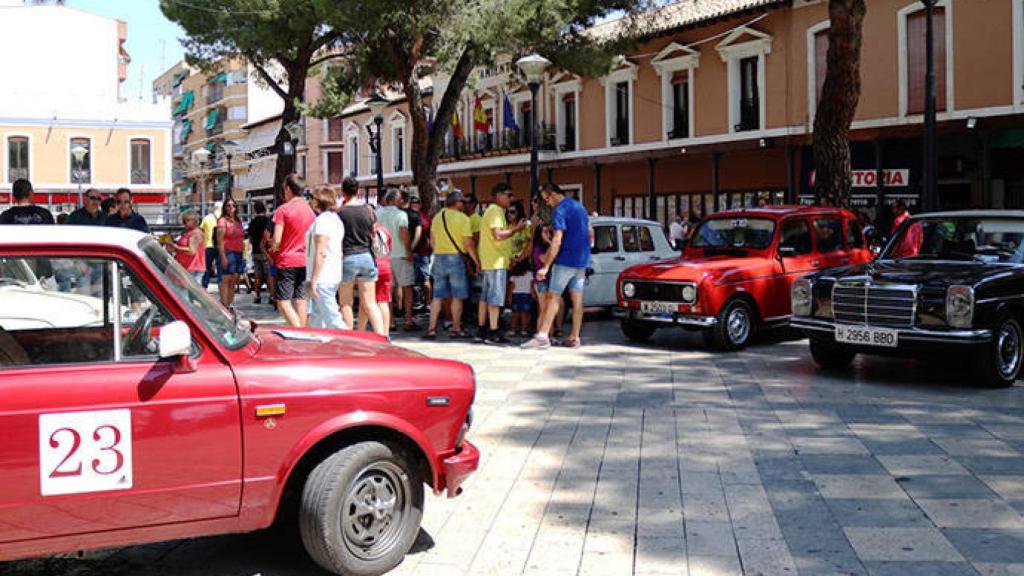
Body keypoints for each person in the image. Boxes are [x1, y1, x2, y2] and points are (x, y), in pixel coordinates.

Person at [523, 183, 593, 349]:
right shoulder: (579, 207)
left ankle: (542, 336)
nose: (547, 203)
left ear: (553, 194)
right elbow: (589, 232)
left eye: (546, 199)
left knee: (552, 297)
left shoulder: (560, 210)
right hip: (582, 260)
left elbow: (557, 240)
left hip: (566, 260)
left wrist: (545, 265)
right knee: (577, 299)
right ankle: (575, 337)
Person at [476, 183, 526, 344]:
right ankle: (493, 331)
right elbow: (498, 235)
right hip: (496, 262)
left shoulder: (492, 211)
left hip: (491, 261)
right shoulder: (496, 212)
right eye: (508, 195)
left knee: (485, 298)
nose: (511, 198)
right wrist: (516, 229)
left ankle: (482, 329)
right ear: (498, 195)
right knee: (495, 299)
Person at [424, 191, 478, 339]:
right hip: (456, 259)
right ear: (458, 203)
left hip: (439, 258)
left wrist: (439, 251)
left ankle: (431, 328)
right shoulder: (463, 219)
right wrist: (476, 261)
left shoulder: (437, 217)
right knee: (457, 296)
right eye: (463, 202)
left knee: (437, 296)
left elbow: (432, 240)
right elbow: (468, 243)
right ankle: (455, 328)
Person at [338, 177, 386, 335]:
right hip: (366, 256)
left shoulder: (340, 212)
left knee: (346, 303)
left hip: (348, 257)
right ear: (358, 191)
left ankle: (349, 337)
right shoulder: (369, 210)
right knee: (370, 302)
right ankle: (382, 336)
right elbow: (373, 233)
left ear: (343, 192)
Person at [271, 174, 316, 327]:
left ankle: (299, 331)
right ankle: (302, 333)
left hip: (287, 260)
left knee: (283, 302)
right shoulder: (310, 211)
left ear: (288, 189)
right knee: (301, 300)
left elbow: (277, 239)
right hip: (305, 260)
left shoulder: (282, 210)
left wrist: (274, 247)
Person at [306, 186, 347, 330]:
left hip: (323, 277)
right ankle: (317, 344)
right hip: (332, 273)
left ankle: (350, 344)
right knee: (318, 316)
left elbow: (320, 251)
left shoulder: (322, 221)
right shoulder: (335, 220)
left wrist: (314, 280)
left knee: (333, 319)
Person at [379, 188, 416, 331]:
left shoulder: (379, 214)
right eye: (400, 198)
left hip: (384, 256)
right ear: (394, 200)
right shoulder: (401, 215)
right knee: (407, 287)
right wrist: (409, 251)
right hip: (400, 254)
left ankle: (390, 321)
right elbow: (404, 234)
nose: (402, 200)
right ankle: (408, 319)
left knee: (388, 289)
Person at [359, 222, 392, 337]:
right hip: (385, 266)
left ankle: (360, 332)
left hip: (371, 266)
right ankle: (385, 334)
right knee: (383, 301)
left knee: (365, 301)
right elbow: (389, 248)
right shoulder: (385, 230)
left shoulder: (364, 231)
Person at [216, 199, 245, 308]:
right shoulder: (223, 221)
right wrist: (223, 257)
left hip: (238, 253)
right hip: (228, 252)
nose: (231, 207)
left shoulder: (238, 221)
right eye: (228, 205)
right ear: (225, 207)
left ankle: (229, 304)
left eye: (233, 205)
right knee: (226, 280)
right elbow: (219, 240)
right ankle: (224, 305)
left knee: (234, 280)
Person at [168, 210, 205, 282]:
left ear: (194, 221)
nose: (184, 223)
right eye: (183, 220)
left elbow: (192, 251)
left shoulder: (195, 233)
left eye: (186, 221)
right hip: (187, 268)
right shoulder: (189, 232)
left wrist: (176, 248)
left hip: (193, 268)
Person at [410, 194, 433, 308]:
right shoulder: (425, 218)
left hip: (414, 252)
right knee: (424, 279)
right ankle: (427, 302)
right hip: (423, 252)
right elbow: (430, 236)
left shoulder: (407, 216)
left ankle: (418, 302)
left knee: (414, 280)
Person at [247, 200, 272, 304]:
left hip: (256, 251)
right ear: (264, 209)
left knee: (257, 275)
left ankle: (257, 296)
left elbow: (251, 239)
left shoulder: (252, 222)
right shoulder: (268, 221)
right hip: (266, 252)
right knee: (269, 275)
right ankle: (271, 296)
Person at [200, 201, 223, 289]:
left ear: (214, 208)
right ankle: (221, 286)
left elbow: (201, 230)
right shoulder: (224, 218)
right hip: (221, 246)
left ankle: (204, 286)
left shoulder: (207, 218)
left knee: (207, 267)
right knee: (220, 268)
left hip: (208, 246)